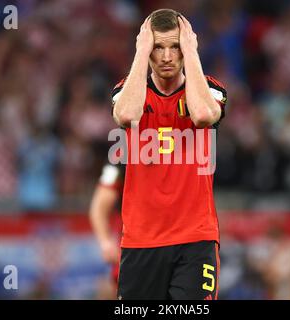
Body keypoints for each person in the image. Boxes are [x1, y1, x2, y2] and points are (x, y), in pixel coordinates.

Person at [111, 9, 227, 299]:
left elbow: (202, 115)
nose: (166, 57)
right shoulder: (126, 91)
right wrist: (140, 52)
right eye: (158, 47)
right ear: (146, 49)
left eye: (174, 46)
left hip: (195, 240)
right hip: (140, 241)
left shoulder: (211, 89)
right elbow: (127, 115)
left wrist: (191, 51)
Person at [89, 163, 125, 299]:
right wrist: (106, 243)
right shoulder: (122, 156)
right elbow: (98, 206)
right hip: (135, 255)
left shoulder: (191, 150)